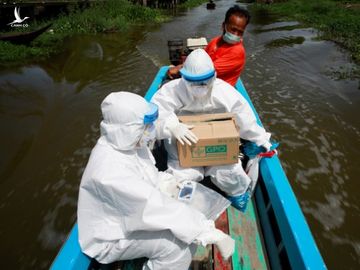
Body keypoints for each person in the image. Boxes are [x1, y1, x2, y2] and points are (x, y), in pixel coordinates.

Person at [77, 91, 235, 269]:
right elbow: (151, 206)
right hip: (112, 234)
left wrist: (172, 185)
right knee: (176, 247)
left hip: (132, 214)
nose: (150, 130)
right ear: (129, 129)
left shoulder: (127, 143)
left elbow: (149, 176)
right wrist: (207, 231)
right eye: (146, 126)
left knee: (188, 219)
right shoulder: (110, 172)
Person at [151, 49, 272, 212]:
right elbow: (155, 115)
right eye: (194, 82)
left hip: (217, 145)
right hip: (182, 145)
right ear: (183, 78)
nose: (200, 87)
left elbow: (244, 118)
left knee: (229, 172)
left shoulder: (225, 92)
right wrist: (172, 126)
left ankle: (237, 196)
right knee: (182, 177)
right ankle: (180, 207)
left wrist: (260, 140)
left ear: (214, 77)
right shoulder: (170, 91)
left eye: (204, 82)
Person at [167, 5, 250, 87]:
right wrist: (182, 65)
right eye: (233, 29)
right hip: (203, 84)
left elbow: (204, 72)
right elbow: (202, 60)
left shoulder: (237, 52)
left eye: (240, 32)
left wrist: (179, 69)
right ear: (223, 26)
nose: (236, 34)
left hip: (217, 92)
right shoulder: (215, 41)